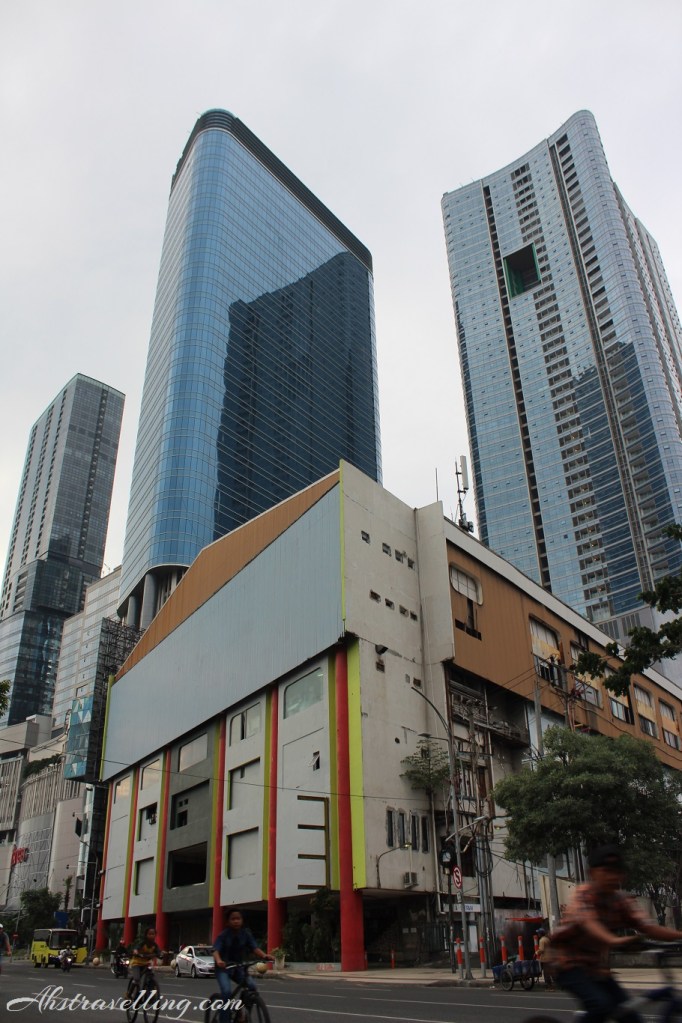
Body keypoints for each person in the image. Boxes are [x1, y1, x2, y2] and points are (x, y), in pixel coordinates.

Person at [550, 845, 682, 1023]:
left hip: (597, 968)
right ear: (592, 873)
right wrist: (613, 940)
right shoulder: (583, 895)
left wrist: (679, 936)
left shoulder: (621, 900)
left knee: (628, 1015)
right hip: (567, 964)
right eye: (606, 871)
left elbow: (648, 927)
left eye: (617, 872)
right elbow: (589, 922)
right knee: (600, 1005)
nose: (612, 877)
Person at [213, 909, 271, 1022]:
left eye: (238, 918)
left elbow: (255, 948)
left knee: (252, 987)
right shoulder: (223, 935)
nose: (236, 921)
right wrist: (219, 960)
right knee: (226, 992)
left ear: (242, 920)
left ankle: (242, 1014)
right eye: (233, 919)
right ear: (228, 922)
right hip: (223, 968)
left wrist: (264, 956)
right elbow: (215, 950)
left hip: (238, 968)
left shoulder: (245, 934)